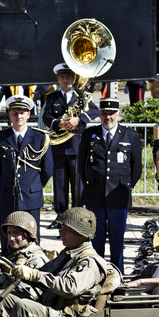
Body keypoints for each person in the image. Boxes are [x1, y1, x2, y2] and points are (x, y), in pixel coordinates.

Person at [0, 207, 112, 317]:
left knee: (24, 307)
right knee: (3, 298)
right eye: (61, 228)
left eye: (66, 229)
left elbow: (70, 288)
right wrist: (16, 271)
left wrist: (34, 274)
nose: (60, 232)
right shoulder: (67, 255)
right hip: (52, 310)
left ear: (81, 234)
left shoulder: (91, 262)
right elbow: (42, 276)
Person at [77, 98, 143, 272]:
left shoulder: (130, 135)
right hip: (95, 196)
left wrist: (125, 187)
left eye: (112, 113)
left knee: (117, 241)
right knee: (96, 240)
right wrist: (91, 185)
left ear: (118, 114)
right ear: (99, 114)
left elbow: (136, 168)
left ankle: (117, 275)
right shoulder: (89, 134)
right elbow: (81, 166)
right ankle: (96, 274)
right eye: (104, 113)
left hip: (118, 195)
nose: (108, 117)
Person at [0, 95, 53, 252]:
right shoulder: (0, 138)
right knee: (8, 234)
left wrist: (34, 185)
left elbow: (47, 168)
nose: (19, 116)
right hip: (8, 194)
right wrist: (5, 183)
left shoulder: (40, 137)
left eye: (22, 113)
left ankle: (33, 266)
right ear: (9, 114)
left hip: (31, 194)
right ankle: (7, 265)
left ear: (29, 114)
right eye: (15, 113)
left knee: (31, 234)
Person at [42, 63, 98, 228]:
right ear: (58, 79)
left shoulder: (81, 96)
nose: (65, 80)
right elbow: (46, 116)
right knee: (59, 183)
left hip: (76, 146)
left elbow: (94, 110)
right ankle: (60, 216)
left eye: (68, 77)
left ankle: (78, 215)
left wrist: (78, 119)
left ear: (74, 78)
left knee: (77, 183)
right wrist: (59, 124)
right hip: (58, 147)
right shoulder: (52, 97)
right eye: (62, 77)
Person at [0, 211, 48, 299]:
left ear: (27, 234)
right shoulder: (11, 255)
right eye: (9, 233)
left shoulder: (36, 259)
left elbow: (28, 294)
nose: (11, 238)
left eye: (16, 233)